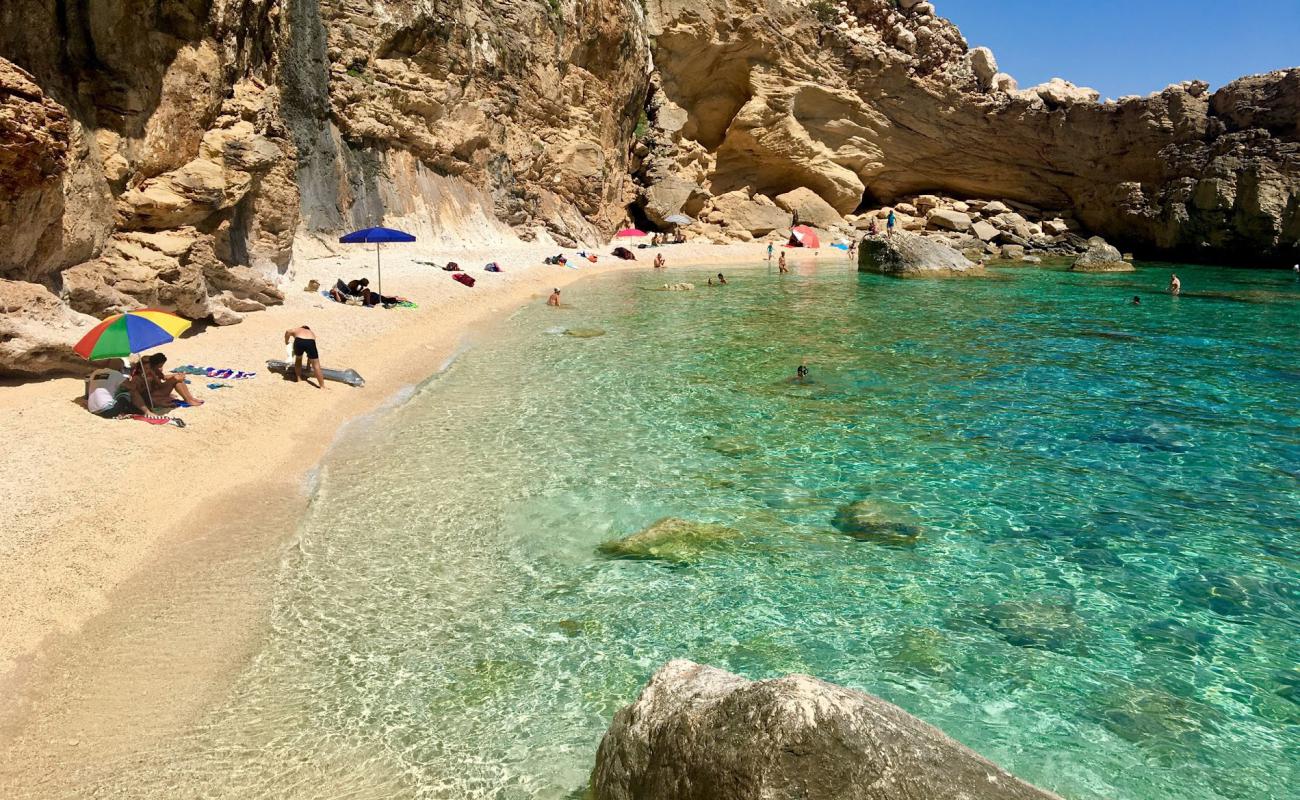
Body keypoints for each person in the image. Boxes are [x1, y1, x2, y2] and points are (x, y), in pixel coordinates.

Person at [132, 352, 203, 407]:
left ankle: (190, 398)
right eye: (160, 366)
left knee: (178, 380)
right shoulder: (143, 375)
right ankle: (188, 400)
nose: (161, 367)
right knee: (176, 379)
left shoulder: (154, 370)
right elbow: (159, 385)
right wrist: (172, 378)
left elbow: (163, 377)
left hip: (157, 392)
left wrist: (174, 376)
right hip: (153, 396)